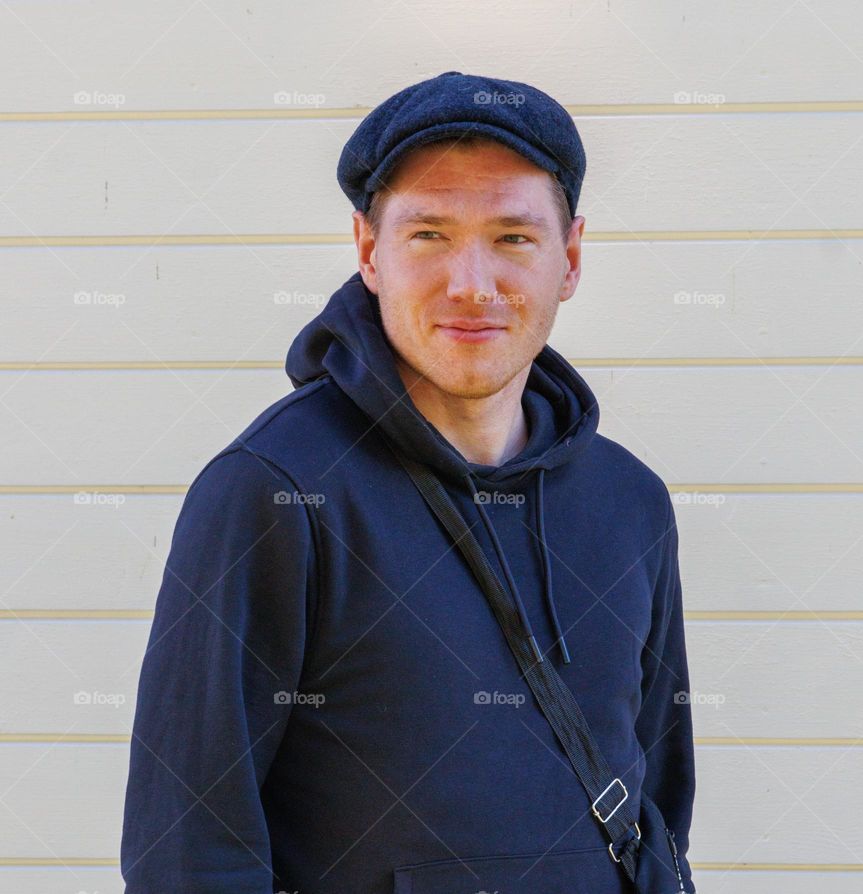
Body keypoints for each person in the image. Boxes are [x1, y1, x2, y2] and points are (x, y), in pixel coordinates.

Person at [120, 70, 696, 894]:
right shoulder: (276, 495)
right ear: (368, 253)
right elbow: (188, 853)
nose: (471, 283)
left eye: (513, 238)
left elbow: (659, 813)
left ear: (569, 259)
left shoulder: (630, 501)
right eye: (429, 234)